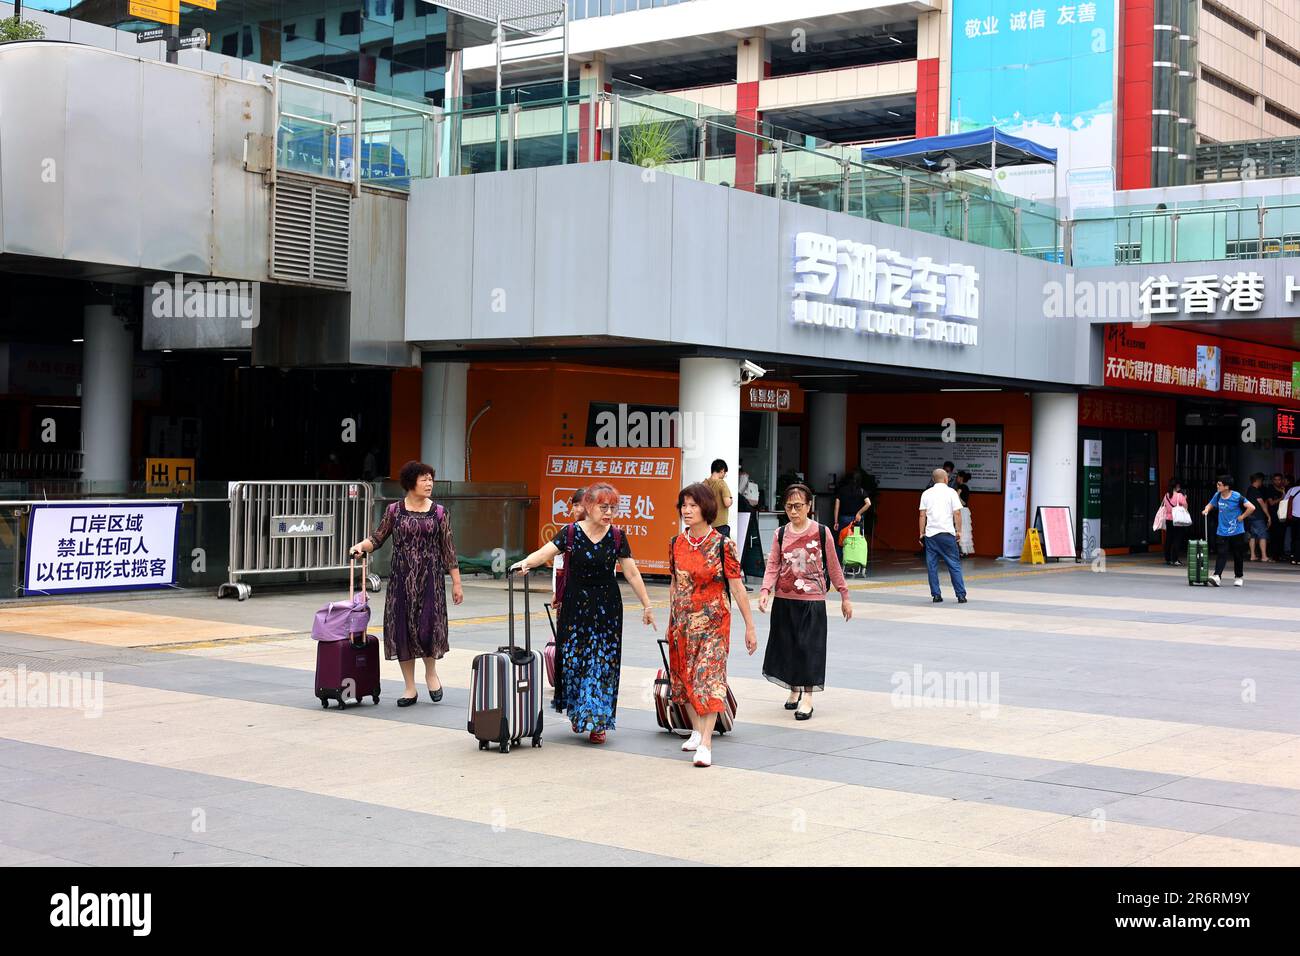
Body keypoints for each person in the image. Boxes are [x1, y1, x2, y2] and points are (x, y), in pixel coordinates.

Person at [509, 482, 656, 743]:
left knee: (602, 663)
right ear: (588, 506)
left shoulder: (618, 536)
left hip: (607, 608)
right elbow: (545, 552)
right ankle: (580, 712)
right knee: (576, 661)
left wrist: (647, 605)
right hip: (576, 607)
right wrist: (524, 563)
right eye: (603, 507)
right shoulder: (570, 533)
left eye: (613, 507)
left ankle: (597, 721)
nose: (609, 512)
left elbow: (631, 573)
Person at [349, 461, 463, 706]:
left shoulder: (440, 512)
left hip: (430, 579)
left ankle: (431, 674)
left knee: (427, 628)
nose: (429, 483)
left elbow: (449, 550)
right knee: (402, 630)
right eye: (424, 479)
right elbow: (377, 538)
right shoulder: (394, 511)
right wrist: (361, 547)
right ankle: (409, 687)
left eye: (430, 479)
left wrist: (456, 583)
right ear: (411, 483)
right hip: (401, 579)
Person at [667, 482, 758, 768]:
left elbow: (737, 587)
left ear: (706, 509)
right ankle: (696, 729)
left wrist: (750, 626)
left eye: (693, 505)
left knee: (708, 679)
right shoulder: (676, 543)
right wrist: (671, 619)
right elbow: (674, 582)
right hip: (682, 623)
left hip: (714, 623)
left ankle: (706, 743)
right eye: (684, 505)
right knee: (684, 680)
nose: (687, 510)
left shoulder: (722, 544)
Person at [758, 483, 852, 722]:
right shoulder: (780, 534)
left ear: (809, 506)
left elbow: (833, 565)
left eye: (798, 506)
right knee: (788, 646)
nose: (793, 511)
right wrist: (765, 590)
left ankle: (808, 697)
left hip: (812, 599)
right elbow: (773, 565)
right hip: (785, 598)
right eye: (789, 506)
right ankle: (794, 688)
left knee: (809, 648)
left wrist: (844, 596)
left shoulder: (822, 532)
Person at [919, 467, 967, 604]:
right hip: (947, 534)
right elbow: (957, 513)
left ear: (933, 480)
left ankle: (936, 595)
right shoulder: (951, 492)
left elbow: (922, 514)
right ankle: (961, 595)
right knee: (954, 565)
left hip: (931, 535)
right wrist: (959, 531)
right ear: (946, 479)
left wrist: (921, 533)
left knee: (932, 566)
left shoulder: (926, 494)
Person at [1201, 474, 1255, 587]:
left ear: (1227, 486)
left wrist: (1242, 517)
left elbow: (1251, 507)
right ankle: (1217, 576)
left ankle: (1239, 576)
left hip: (1237, 531)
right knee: (1221, 553)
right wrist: (1206, 509)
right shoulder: (1218, 495)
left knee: (1238, 554)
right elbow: (1211, 504)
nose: (1217, 486)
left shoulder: (1237, 496)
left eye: (1219, 484)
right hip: (1222, 530)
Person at [833, 471, 872, 560]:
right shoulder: (861, 491)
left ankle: (839, 562)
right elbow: (868, 503)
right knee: (854, 542)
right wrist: (859, 513)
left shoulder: (842, 490)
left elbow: (837, 506)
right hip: (856, 521)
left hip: (843, 519)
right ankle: (853, 562)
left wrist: (836, 521)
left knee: (841, 541)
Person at [1159, 479, 1190, 567]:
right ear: (1176, 486)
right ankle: (1175, 559)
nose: (1179, 487)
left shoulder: (1166, 495)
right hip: (1178, 520)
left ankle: (1168, 559)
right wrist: (1185, 498)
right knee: (1177, 539)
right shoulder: (1180, 495)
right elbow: (1185, 507)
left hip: (1168, 519)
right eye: (1179, 486)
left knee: (1169, 538)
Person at [1244, 473, 1271, 562]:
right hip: (1258, 516)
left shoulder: (1249, 490)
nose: (1261, 483)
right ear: (1258, 481)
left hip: (1250, 516)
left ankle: (1253, 555)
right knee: (1263, 536)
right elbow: (1262, 504)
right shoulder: (1255, 491)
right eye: (1261, 481)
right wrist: (1268, 515)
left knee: (1253, 536)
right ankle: (1264, 556)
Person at [704, 459, 734, 539]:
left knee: (708, 550)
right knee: (723, 550)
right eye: (725, 473)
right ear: (722, 470)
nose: (724, 475)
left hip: (706, 525)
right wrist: (731, 500)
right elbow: (727, 503)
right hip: (720, 526)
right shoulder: (721, 483)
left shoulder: (704, 484)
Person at [1264, 473, 1287, 561]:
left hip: (1282, 516)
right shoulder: (1270, 489)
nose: (1277, 481)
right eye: (1275, 479)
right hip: (1274, 516)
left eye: (1279, 479)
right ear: (1272, 480)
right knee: (1274, 536)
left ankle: (1280, 554)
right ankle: (1275, 555)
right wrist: (1282, 498)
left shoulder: (1283, 489)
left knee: (1281, 536)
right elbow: (1271, 503)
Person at [955, 470, 975, 556]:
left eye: (957, 477)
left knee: (960, 529)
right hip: (965, 511)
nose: (956, 478)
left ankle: (961, 551)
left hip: (961, 510)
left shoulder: (961, 487)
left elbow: (956, 497)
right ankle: (964, 551)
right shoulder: (965, 487)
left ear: (961, 477)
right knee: (965, 530)